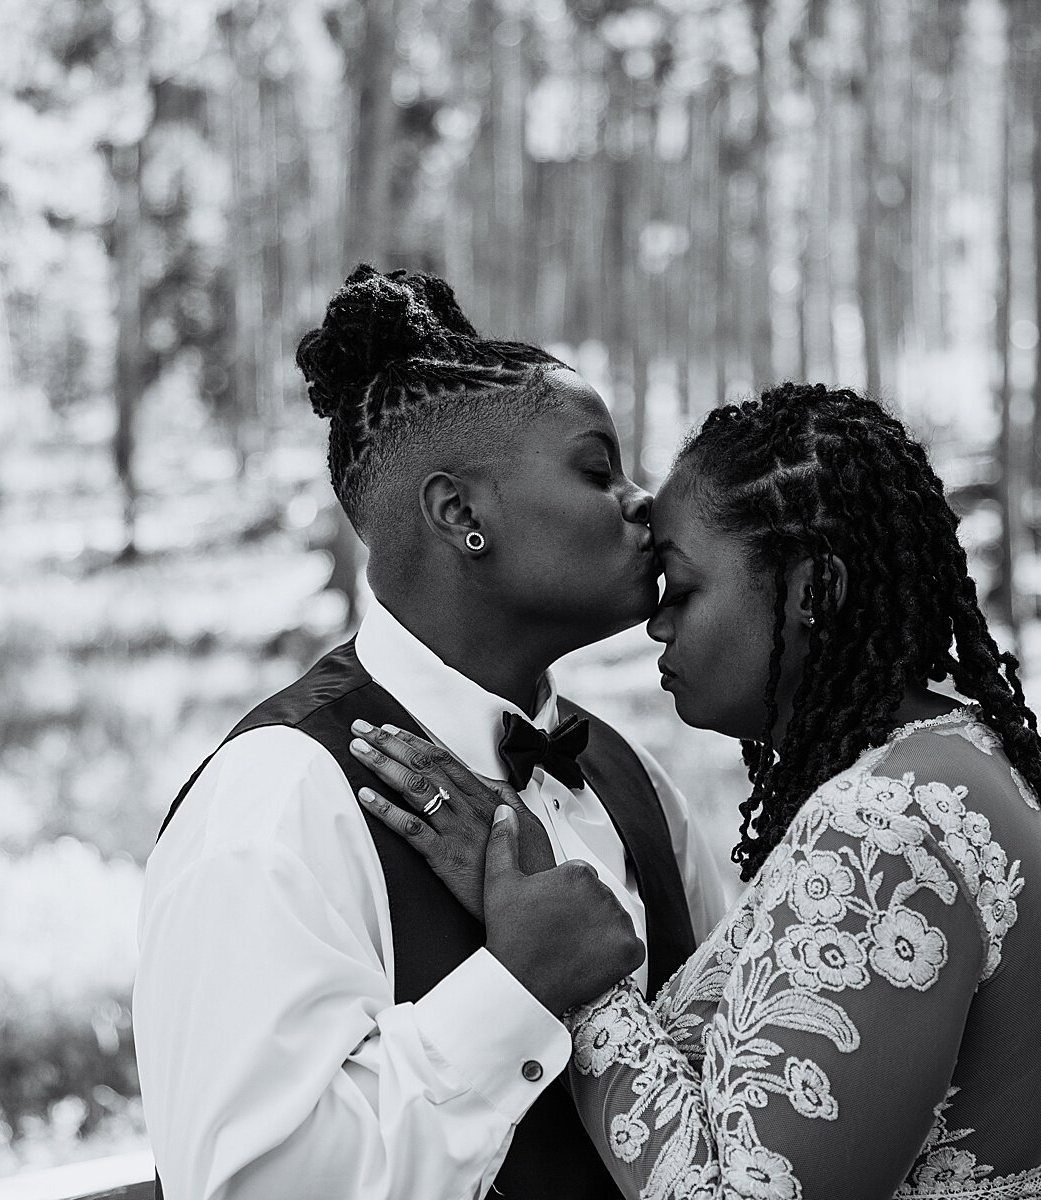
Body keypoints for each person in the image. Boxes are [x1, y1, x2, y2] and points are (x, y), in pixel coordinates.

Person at [354, 382, 1041, 1200]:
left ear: (812, 590)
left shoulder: (884, 828)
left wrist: (581, 982)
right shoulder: (950, 757)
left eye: (682, 589)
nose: (656, 624)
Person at [133, 265, 738, 1200]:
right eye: (596, 469)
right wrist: (519, 987)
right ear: (461, 514)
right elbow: (257, 1184)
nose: (643, 501)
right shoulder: (276, 801)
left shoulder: (635, 783)